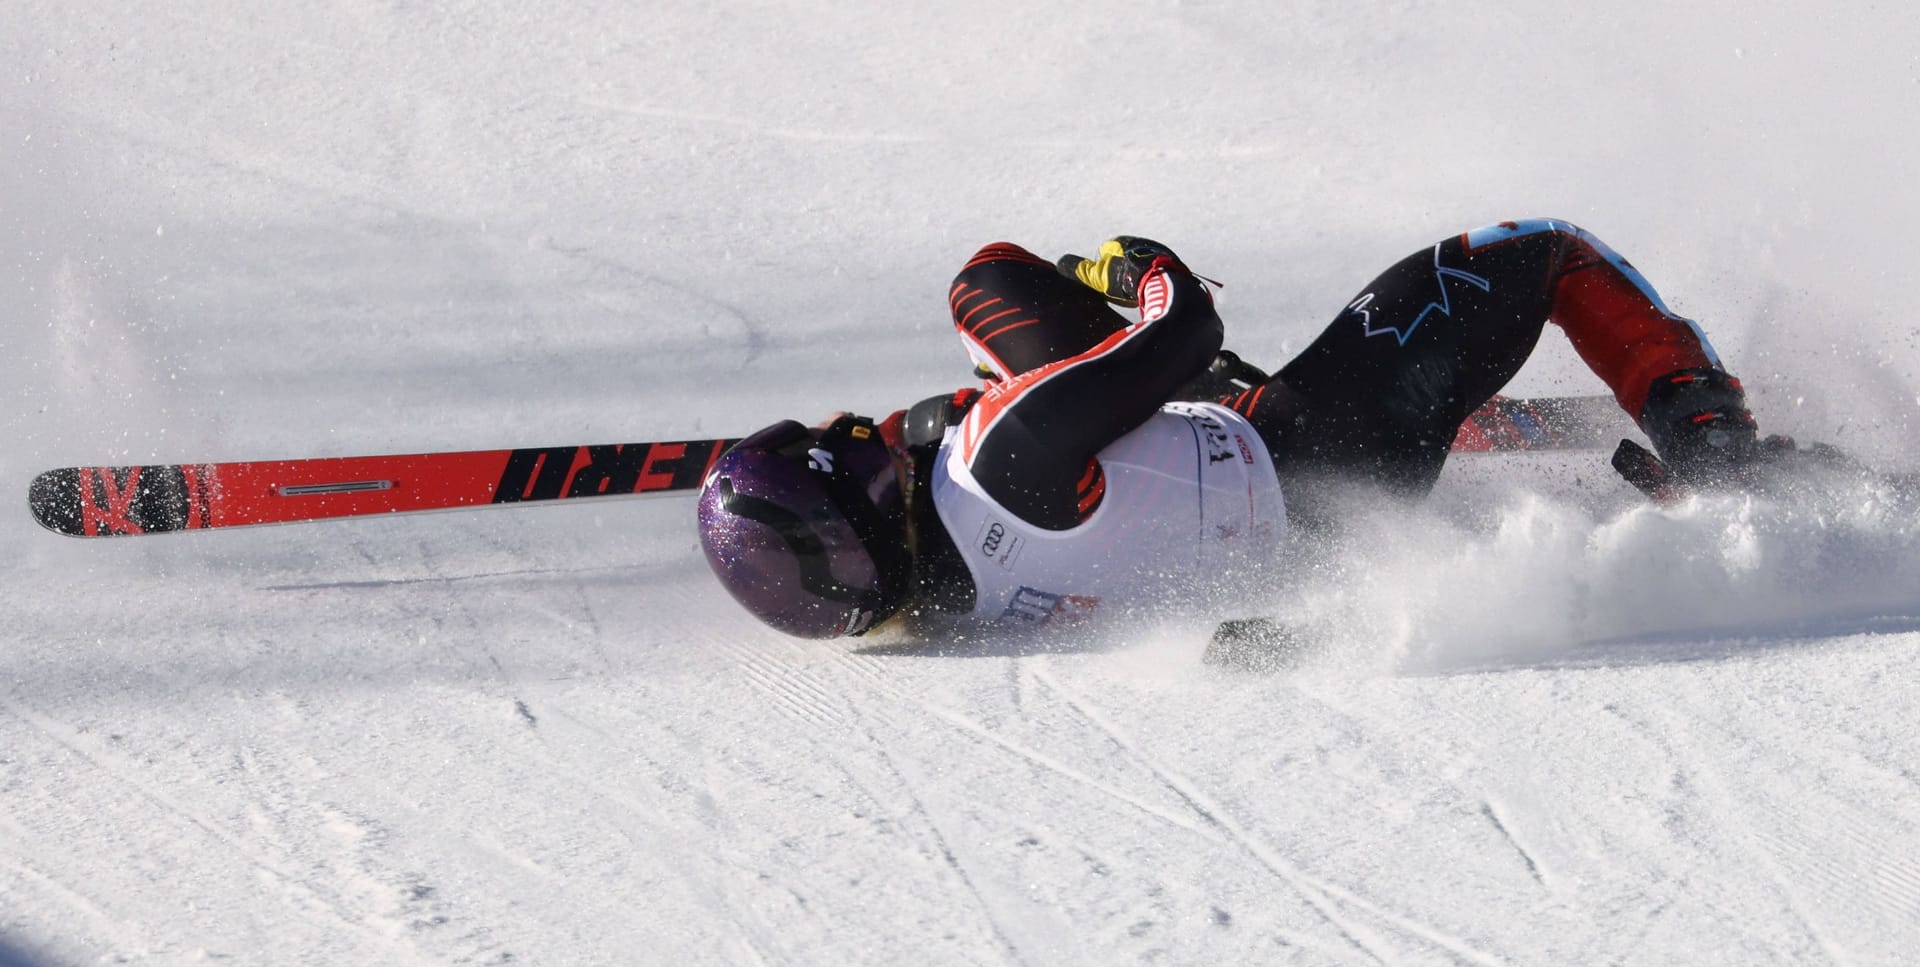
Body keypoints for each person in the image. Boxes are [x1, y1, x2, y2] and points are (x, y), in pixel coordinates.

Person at [696, 219, 1797, 639]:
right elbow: (1187, 328)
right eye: (849, 440)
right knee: (1541, 250)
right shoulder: (1004, 452)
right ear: (862, 475)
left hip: (1286, 544)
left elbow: (954, 439)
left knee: (987, 285)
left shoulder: (933, 608)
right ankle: (1715, 442)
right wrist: (1140, 270)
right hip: (1319, 443)